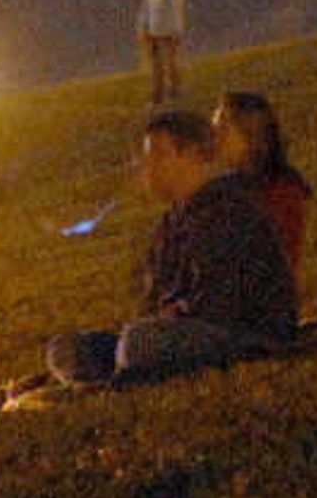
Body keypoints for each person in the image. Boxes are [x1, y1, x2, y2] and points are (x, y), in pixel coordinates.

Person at [45, 110, 298, 388]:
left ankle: (121, 372)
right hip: (177, 333)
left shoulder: (227, 210)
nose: (146, 168)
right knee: (66, 348)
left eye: (158, 155)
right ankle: (121, 368)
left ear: (192, 156)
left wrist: (165, 320)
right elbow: (154, 300)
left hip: (244, 334)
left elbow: (221, 305)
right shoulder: (174, 221)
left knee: (140, 342)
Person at [212, 89, 312, 276]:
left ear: (250, 136)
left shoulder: (280, 193)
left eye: (223, 130)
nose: (215, 138)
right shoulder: (224, 187)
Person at [135, 0, 188, 103]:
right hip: (153, 31)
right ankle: (157, 95)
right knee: (156, 66)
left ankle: (175, 93)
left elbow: (173, 4)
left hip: (170, 30)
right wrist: (141, 28)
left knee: (171, 64)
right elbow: (145, 9)